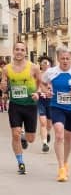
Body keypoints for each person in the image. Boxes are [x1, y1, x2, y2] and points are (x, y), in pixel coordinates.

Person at [41, 45, 71, 182]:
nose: (65, 61)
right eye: (62, 58)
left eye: (67, 58)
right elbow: (42, 83)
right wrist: (47, 91)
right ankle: (61, 167)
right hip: (56, 107)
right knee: (59, 134)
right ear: (58, 58)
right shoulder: (51, 72)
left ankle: (66, 162)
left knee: (68, 138)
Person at [1, 42, 42, 174]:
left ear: (25, 52)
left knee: (31, 139)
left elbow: (41, 83)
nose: (19, 52)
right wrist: (4, 89)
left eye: (22, 50)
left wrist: (37, 93)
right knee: (15, 133)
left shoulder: (34, 67)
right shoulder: (6, 69)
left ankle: (24, 136)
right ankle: (20, 162)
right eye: (17, 49)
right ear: (13, 51)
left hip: (30, 105)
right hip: (15, 105)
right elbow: (4, 86)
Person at [36, 55, 52, 153]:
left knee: (49, 124)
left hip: (51, 101)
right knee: (43, 122)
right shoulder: (38, 75)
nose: (45, 64)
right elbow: (35, 86)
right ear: (40, 65)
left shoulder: (54, 75)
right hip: (41, 100)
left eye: (47, 63)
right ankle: (44, 143)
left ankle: (48, 133)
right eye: (43, 63)